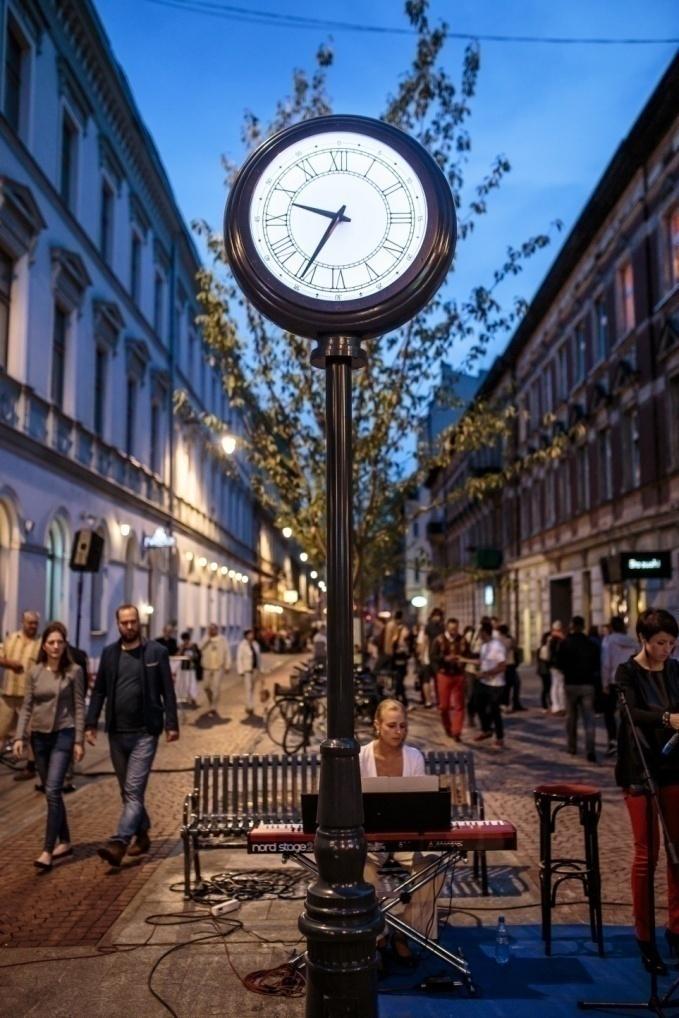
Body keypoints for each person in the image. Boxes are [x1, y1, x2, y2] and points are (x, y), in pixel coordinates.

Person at [85, 603, 179, 867]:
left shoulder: (155, 652)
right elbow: (100, 691)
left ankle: (119, 842)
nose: (129, 626)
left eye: (132, 622)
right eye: (124, 622)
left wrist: (172, 724)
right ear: (117, 624)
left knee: (133, 792)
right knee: (127, 792)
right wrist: (91, 723)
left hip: (145, 733)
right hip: (116, 733)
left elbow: (168, 692)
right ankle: (143, 832)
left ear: (139, 623)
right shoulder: (109, 654)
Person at [615, 607, 679, 976]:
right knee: (647, 854)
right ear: (644, 640)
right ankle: (644, 934)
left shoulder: (675, 670)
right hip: (641, 770)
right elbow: (631, 714)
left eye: (671, 643)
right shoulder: (627, 673)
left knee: (677, 852)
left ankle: (676, 927)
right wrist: (668, 719)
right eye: (660, 643)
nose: (666, 650)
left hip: (674, 767)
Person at [359, 699, 442, 962]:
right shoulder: (361, 757)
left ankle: (404, 933)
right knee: (357, 866)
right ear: (377, 726)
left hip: (406, 838)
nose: (398, 731)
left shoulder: (414, 757)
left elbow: (420, 805)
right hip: (372, 841)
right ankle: (378, 934)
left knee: (433, 863)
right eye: (392, 725)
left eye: (403, 726)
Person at [13, 622, 85, 871]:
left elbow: (79, 706)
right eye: (51, 642)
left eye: (60, 642)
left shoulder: (74, 671)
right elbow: (27, 706)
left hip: (63, 735)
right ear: (45, 645)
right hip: (39, 738)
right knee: (50, 791)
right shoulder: (34, 672)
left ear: (65, 645)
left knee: (53, 790)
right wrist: (21, 737)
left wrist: (78, 740)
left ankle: (47, 850)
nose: (56, 646)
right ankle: (65, 841)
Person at [0, 610, 41, 781]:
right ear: (22, 622)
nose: (32, 626)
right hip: (8, 694)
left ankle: (30, 767)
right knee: (1, 731)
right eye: (29, 623)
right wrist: (9, 663)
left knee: (32, 733)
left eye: (35, 623)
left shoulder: (40, 644)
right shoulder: (11, 639)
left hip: (28, 697)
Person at [555, 615, 600, 763]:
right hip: (588, 684)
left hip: (571, 684)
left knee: (571, 718)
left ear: (572, 626)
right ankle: (590, 750)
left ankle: (572, 746)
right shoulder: (591, 643)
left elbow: (558, 663)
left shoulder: (565, 643)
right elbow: (597, 663)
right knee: (589, 719)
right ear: (583, 626)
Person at [601, 616, 638, 757]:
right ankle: (629, 742)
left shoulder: (608, 641)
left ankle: (613, 741)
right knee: (627, 714)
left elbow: (606, 664)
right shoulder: (633, 642)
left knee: (609, 713)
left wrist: (604, 684)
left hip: (613, 681)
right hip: (630, 682)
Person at [431, 618, 468, 742]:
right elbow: (433, 656)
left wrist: (462, 660)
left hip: (458, 674)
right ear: (447, 628)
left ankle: (457, 731)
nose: (454, 631)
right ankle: (448, 727)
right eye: (451, 629)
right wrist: (444, 659)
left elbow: (468, 654)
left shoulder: (462, 640)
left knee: (459, 704)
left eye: (456, 629)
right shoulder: (439, 640)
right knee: (444, 706)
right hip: (444, 674)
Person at [474, 622, 507, 749]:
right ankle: (486, 729)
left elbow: (502, 666)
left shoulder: (497, 646)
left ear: (484, 633)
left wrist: (485, 674)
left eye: (480, 633)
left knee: (494, 710)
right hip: (484, 683)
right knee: (478, 705)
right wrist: (462, 659)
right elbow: (481, 662)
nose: (479, 636)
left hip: (496, 684)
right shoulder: (484, 646)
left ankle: (500, 737)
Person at [199, 623, 232, 716]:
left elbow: (227, 652)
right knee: (206, 687)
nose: (212, 631)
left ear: (217, 630)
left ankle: (213, 707)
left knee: (216, 687)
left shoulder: (222, 639)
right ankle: (211, 702)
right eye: (210, 629)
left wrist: (227, 665)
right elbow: (200, 647)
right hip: (207, 666)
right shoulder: (205, 638)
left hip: (218, 667)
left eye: (214, 629)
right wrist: (207, 639)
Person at [237, 628, 261, 718]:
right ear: (246, 635)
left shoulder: (255, 644)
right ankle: (250, 706)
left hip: (255, 669)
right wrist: (240, 670)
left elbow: (259, 657)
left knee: (252, 688)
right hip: (247, 669)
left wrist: (261, 669)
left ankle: (249, 704)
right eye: (250, 634)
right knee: (248, 688)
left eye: (252, 634)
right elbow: (239, 658)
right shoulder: (242, 645)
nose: (252, 636)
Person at [548, 620, 566, 716]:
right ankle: (560, 706)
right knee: (560, 686)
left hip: (552, 665)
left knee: (555, 685)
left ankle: (556, 706)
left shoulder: (549, 637)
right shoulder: (559, 639)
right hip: (559, 665)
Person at [537, 631, 552, 714]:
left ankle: (547, 704)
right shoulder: (544, 648)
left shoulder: (543, 648)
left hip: (543, 670)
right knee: (546, 688)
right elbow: (545, 659)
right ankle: (545, 705)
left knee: (547, 688)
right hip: (544, 670)